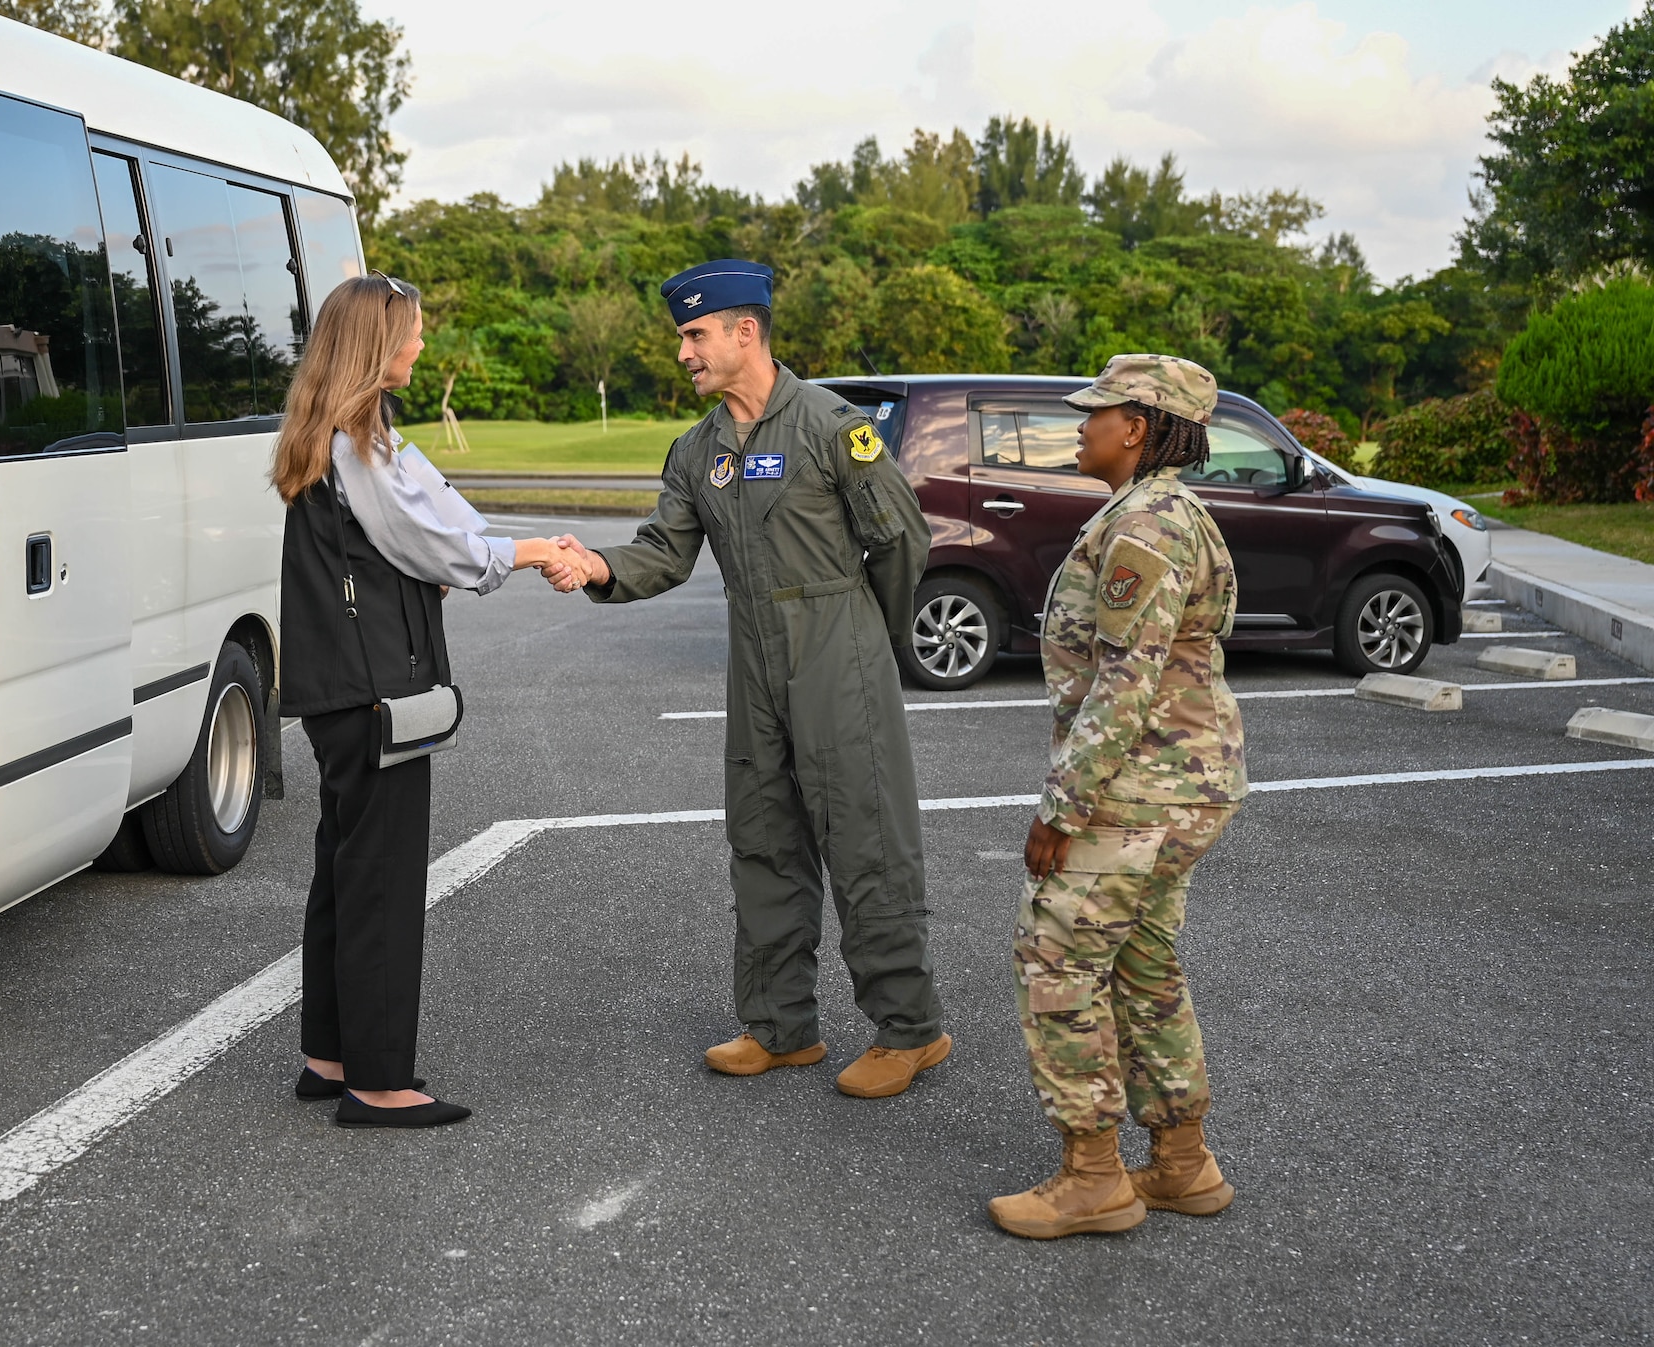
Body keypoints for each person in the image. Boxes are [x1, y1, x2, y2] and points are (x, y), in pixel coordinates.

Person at [544, 260, 950, 1099]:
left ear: (745, 332)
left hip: (838, 646)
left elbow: (901, 540)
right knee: (763, 836)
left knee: (865, 839)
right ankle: (780, 1025)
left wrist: (868, 638)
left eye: (695, 335)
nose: (684, 353)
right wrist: (595, 567)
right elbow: (663, 552)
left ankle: (909, 1029)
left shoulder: (833, 426)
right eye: (683, 337)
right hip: (754, 653)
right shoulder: (697, 451)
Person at [275, 271, 587, 1129]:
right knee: (380, 879)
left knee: (344, 872)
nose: (421, 344)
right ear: (378, 344)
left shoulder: (340, 434)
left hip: (341, 688)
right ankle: (377, 1082)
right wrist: (526, 552)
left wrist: (504, 545)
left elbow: (437, 513)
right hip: (374, 687)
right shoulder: (357, 443)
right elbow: (430, 539)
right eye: (412, 332)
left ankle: (328, 1054)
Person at [986, 354, 1248, 1239]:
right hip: (1176, 785)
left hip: (1141, 789)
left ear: (1136, 427)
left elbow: (1124, 681)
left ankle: (1092, 1176)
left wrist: (1062, 808)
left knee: (1054, 958)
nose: (1081, 424)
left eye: (1097, 413)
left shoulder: (1146, 522)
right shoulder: (1163, 512)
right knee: (1141, 964)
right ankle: (1181, 1163)